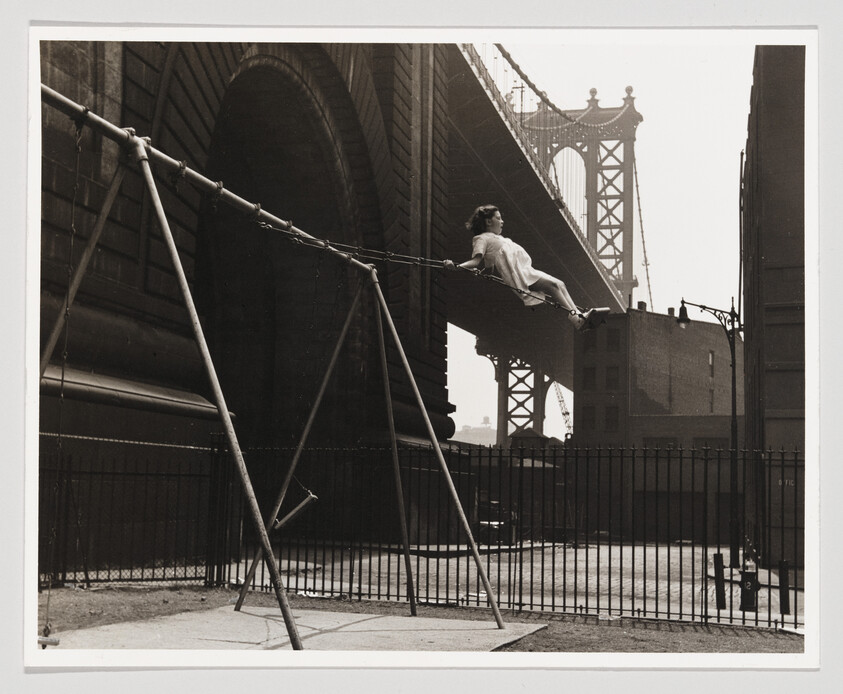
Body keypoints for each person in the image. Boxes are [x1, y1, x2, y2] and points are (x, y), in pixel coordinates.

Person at [443, 204, 596, 330]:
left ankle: (578, 315)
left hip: (526, 270)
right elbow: (476, 261)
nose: (502, 221)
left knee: (560, 284)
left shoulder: (499, 238)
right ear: (488, 222)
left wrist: (479, 271)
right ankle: (576, 319)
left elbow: (486, 266)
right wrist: (455, 267)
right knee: (553, 286)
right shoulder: (481, 239)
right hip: (518, 275)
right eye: (498, 218)